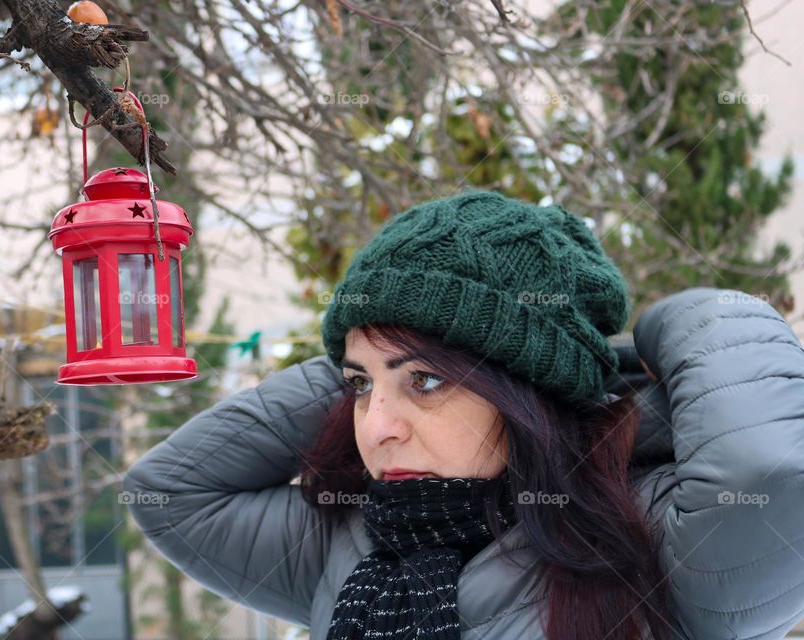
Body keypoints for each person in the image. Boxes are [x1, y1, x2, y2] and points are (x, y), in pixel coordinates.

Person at [123, 190, 804, 639]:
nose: (378, 427)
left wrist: (650, 334)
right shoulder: (353, 541)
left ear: (524, 392)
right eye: (358, 388)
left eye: (427, 381)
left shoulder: (654, 540)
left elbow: (771, 473)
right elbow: (169, 492)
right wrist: (379, 349)